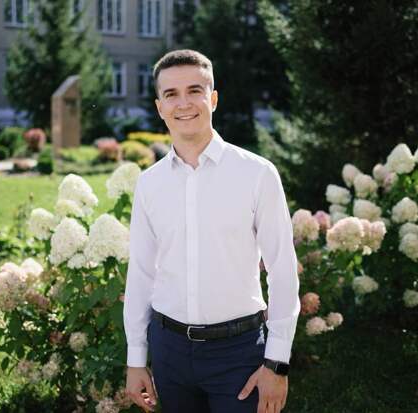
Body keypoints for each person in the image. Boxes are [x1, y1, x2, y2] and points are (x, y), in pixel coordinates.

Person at [123, 49, 300, 413]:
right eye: (171, 94)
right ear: (160, 107)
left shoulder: (257, 174)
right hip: (169, 352)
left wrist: (277, 362)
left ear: (213, 99)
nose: (183, 103)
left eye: (195, 91)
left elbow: (282, 271)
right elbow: (141, 272)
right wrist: (136, 359)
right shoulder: (149, 183)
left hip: (239, 353)